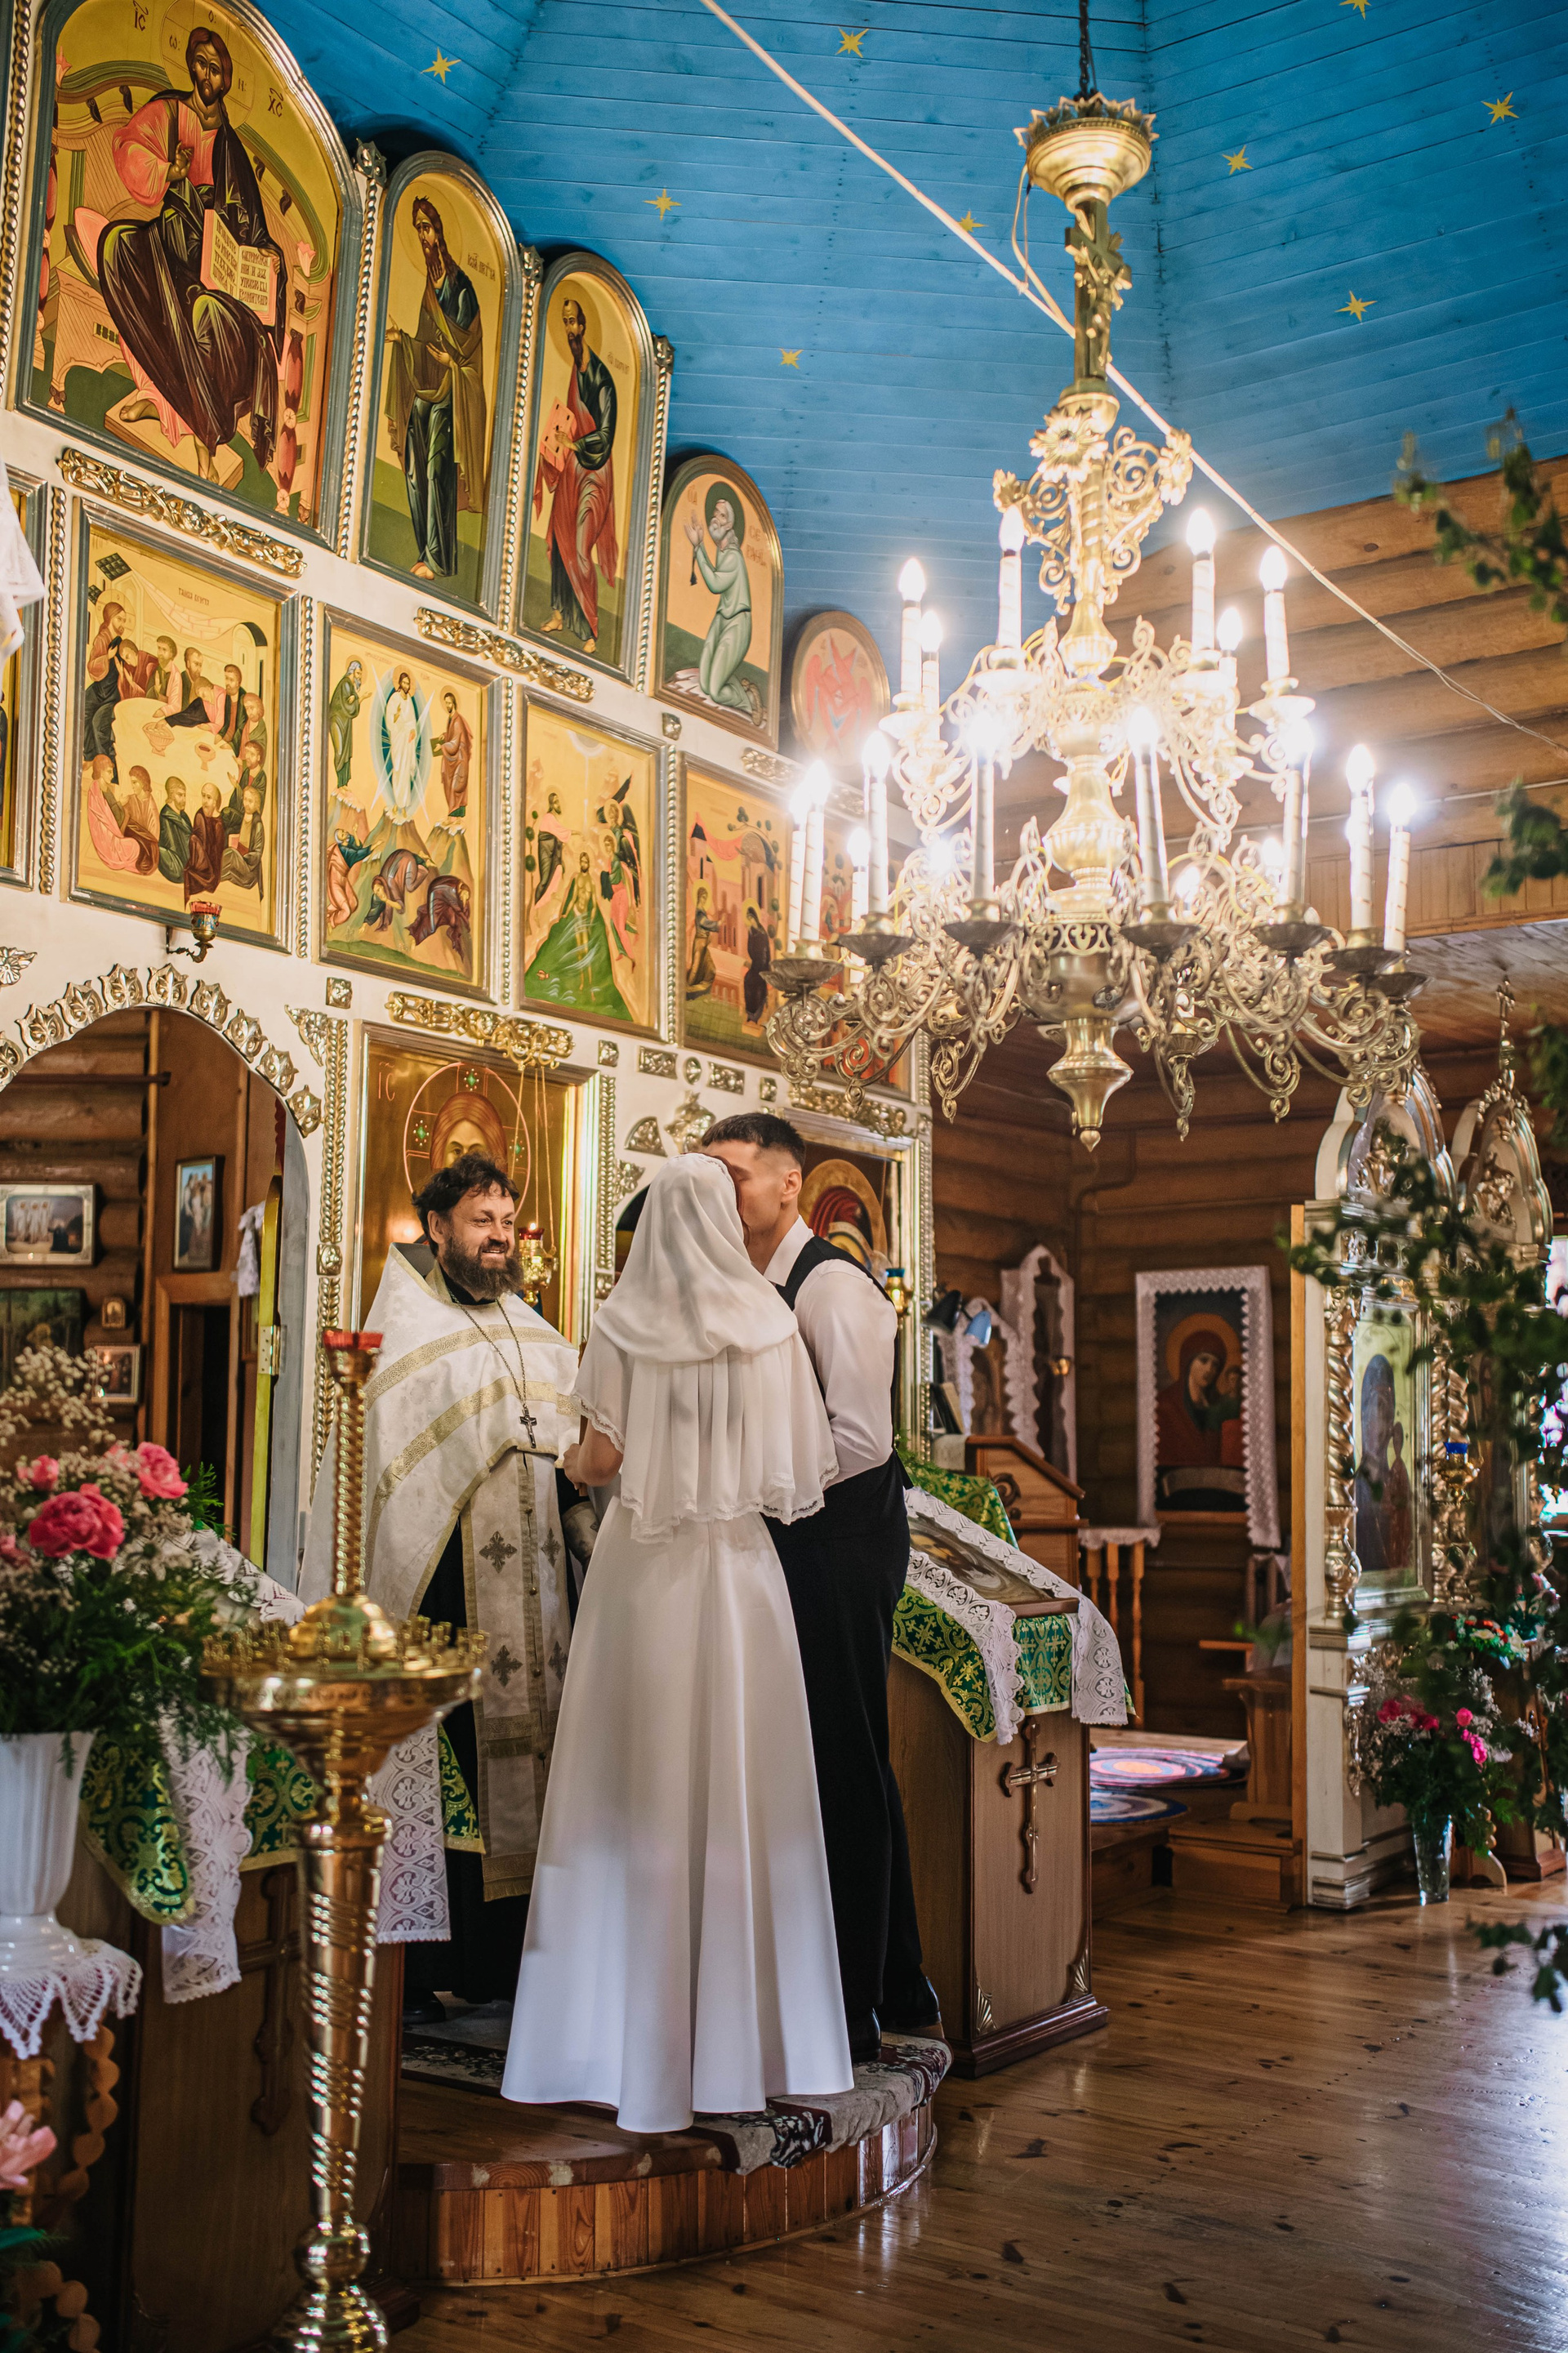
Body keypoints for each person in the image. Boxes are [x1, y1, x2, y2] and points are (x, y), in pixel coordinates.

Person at [502, 1152, 852, 2131]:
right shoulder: (769, 1321)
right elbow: (799, 1466)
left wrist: (567, 1453)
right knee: (745, 1792)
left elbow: (599, 1459)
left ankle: (628, 2047)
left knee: (637, 1788)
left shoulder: (623, 1323)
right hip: (740, 1573)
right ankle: (758, 2045)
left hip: (646, 1572)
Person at [300, 1153, 595, 2016]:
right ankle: (434, 1960)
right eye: (480, 1221)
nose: (499, 1237)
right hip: (447, 1596)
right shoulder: (405, 1336)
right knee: (451, 1763)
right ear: (437, 1228)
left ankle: (521, 1956)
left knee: (546, 1759)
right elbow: (390, 1489)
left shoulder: (538, 1334)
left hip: (544, 1597)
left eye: (506, 1221)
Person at [701, 1112, 939, 2059]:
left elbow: (861, 1440)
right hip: (785, 1535)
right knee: (820, 1755)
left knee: (844, 1756)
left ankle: (855, 2002)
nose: (722, 1193)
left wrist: (747, 1487)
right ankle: (901, 1976)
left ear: (787, 1184)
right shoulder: (740, 1281)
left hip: (839, 1538)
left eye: (735, 1175)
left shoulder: (832, 1286)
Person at [97, 25, 285, 482]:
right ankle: (157, 399)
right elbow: (128, 147)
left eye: (214, 69)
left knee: (204, 314)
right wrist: (168, 171)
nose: (205, 75)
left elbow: (254, 225)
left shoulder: (233, 149)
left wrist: (269, 254)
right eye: (200, 63)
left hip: (215, 265)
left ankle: (204, 440)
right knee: (118, 246)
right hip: (171, 241)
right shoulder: (169, 111)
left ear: (225, 81)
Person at [385, 195, 488, 581]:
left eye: (426, 228)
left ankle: (439, 559)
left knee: (436, 471)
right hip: (426, 388)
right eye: (418, 230)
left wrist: (453, 363)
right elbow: (426, 342)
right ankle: (424, 549)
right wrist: (402, 339)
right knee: (414, 469)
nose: (422, 237)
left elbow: (470, 349)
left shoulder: (462, 288)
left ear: (439, 232)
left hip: (450, 393)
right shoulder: (430, 285)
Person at [533, 295, 617, 654]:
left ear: (583, 326)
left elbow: (607, 434)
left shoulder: (603, 380)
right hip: (572, 465)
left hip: (595, 472)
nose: (569, 329)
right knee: (558, 536)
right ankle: (559, 613)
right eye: (564, 322)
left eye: (573, 322)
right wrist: (554, 445)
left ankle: (590, 628)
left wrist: (575, 443)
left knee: (581, 547)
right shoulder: (574, 370)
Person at [683, 492, 754, 716]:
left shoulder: (733, 557)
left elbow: (715, 584)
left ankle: (747, 699)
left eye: (722, 516)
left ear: (730, 524)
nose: (715, 518)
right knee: (705, 683)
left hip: (737, 624)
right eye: (715, 513)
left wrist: (698, 547)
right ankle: (732, 680)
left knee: (715, 691)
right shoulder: (721, 550)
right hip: (722, 618)